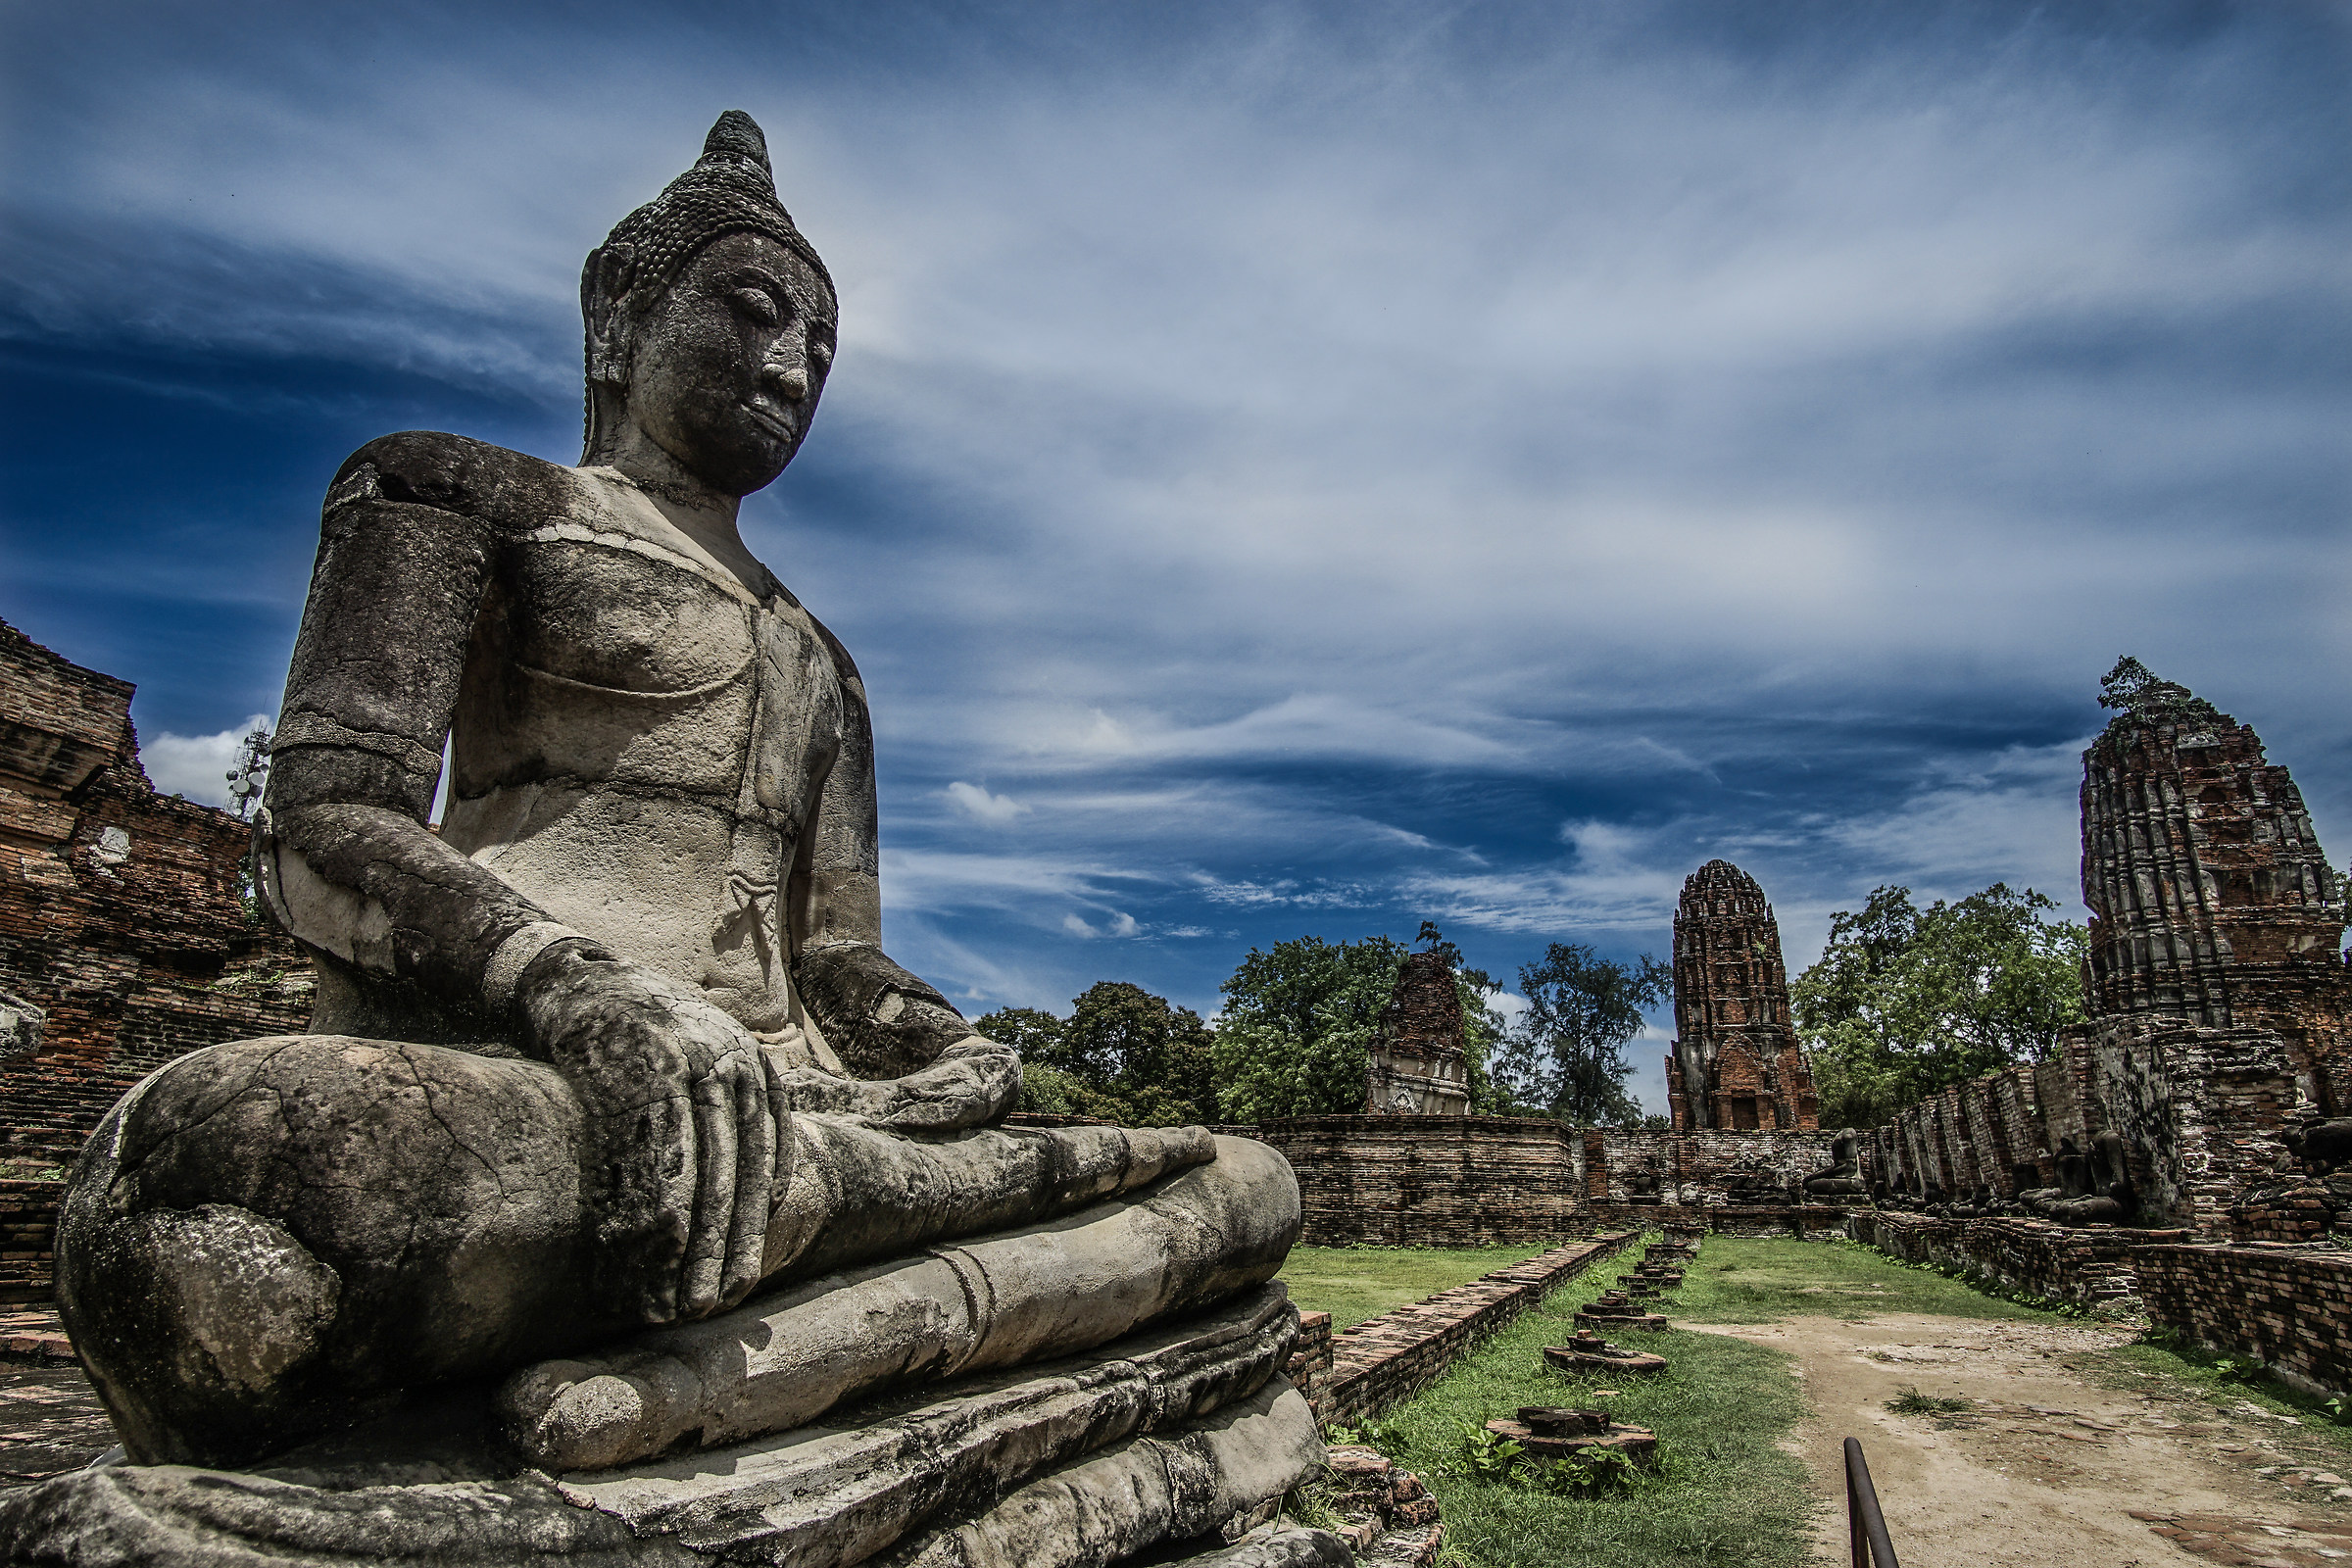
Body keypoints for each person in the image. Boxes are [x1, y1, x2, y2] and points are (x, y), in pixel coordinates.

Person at [58, 113, 1294, 1470]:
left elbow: (834, 956)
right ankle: (831, 1335)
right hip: (544, 1084)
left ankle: (719, 1379)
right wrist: (578, 990)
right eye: (755, 313)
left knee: (1241, 1187)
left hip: (815, 1115)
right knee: (238, 1188)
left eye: (819, 349)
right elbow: (319, 832)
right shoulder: (456, 497)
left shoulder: (825, 660)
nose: (789, 365)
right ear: (618, 313)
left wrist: (943, 1042)